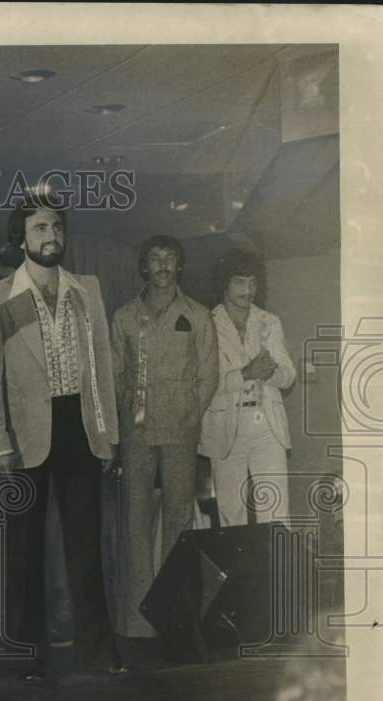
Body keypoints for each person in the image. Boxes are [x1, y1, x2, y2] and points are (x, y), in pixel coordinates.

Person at [0, 199, 122, 685]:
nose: (51, 234)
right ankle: (28, 657)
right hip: (23, 433)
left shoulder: (88, 289)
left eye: (57, 226)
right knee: (24, 549)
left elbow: (101, 367)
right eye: (40, 227)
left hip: (79, 426)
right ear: (22, 238)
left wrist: (108, 434)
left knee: (86, 547)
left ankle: (98, 650)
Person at [111, 234, 218, 640]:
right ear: (144, 266)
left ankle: (174, 612)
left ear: (179, 266)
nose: (162, 266)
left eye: (169, 259)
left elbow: (209, 374)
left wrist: (190, 413)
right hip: (136, 431)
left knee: (179, 517)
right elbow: (115, 373)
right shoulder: (124, 316)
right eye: (154, 259)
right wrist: (122, 425)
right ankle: (139, 621)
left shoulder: (199, 315)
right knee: (137, 521)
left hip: (180, 429)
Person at [199, 250, 295, 526]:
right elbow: (204, 383)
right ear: (224, 284)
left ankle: (278, 569)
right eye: (240, 282)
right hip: (225, 429)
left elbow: (288, 376)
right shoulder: (206, 323)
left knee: (276, 511)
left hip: (267, 428)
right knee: (232, 514)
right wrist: (244, 374)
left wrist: (271, 372)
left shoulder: (269, 321)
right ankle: (239, 571)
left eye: (253, 282)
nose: (248, 290)